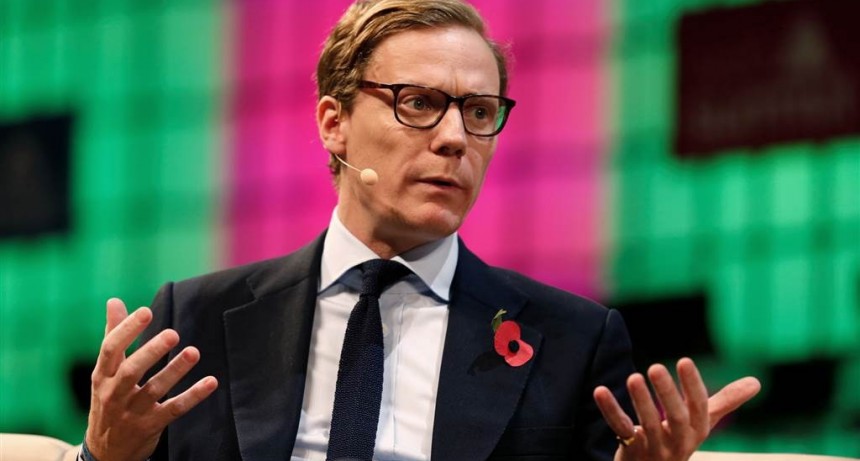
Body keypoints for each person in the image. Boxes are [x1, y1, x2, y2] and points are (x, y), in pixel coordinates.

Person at [81, 1, 761, 460]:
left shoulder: (573, 341)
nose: (455, 138)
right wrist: (102, 456)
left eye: (479, 112)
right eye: (420, 103)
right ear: (334, 123)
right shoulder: (196, 322)